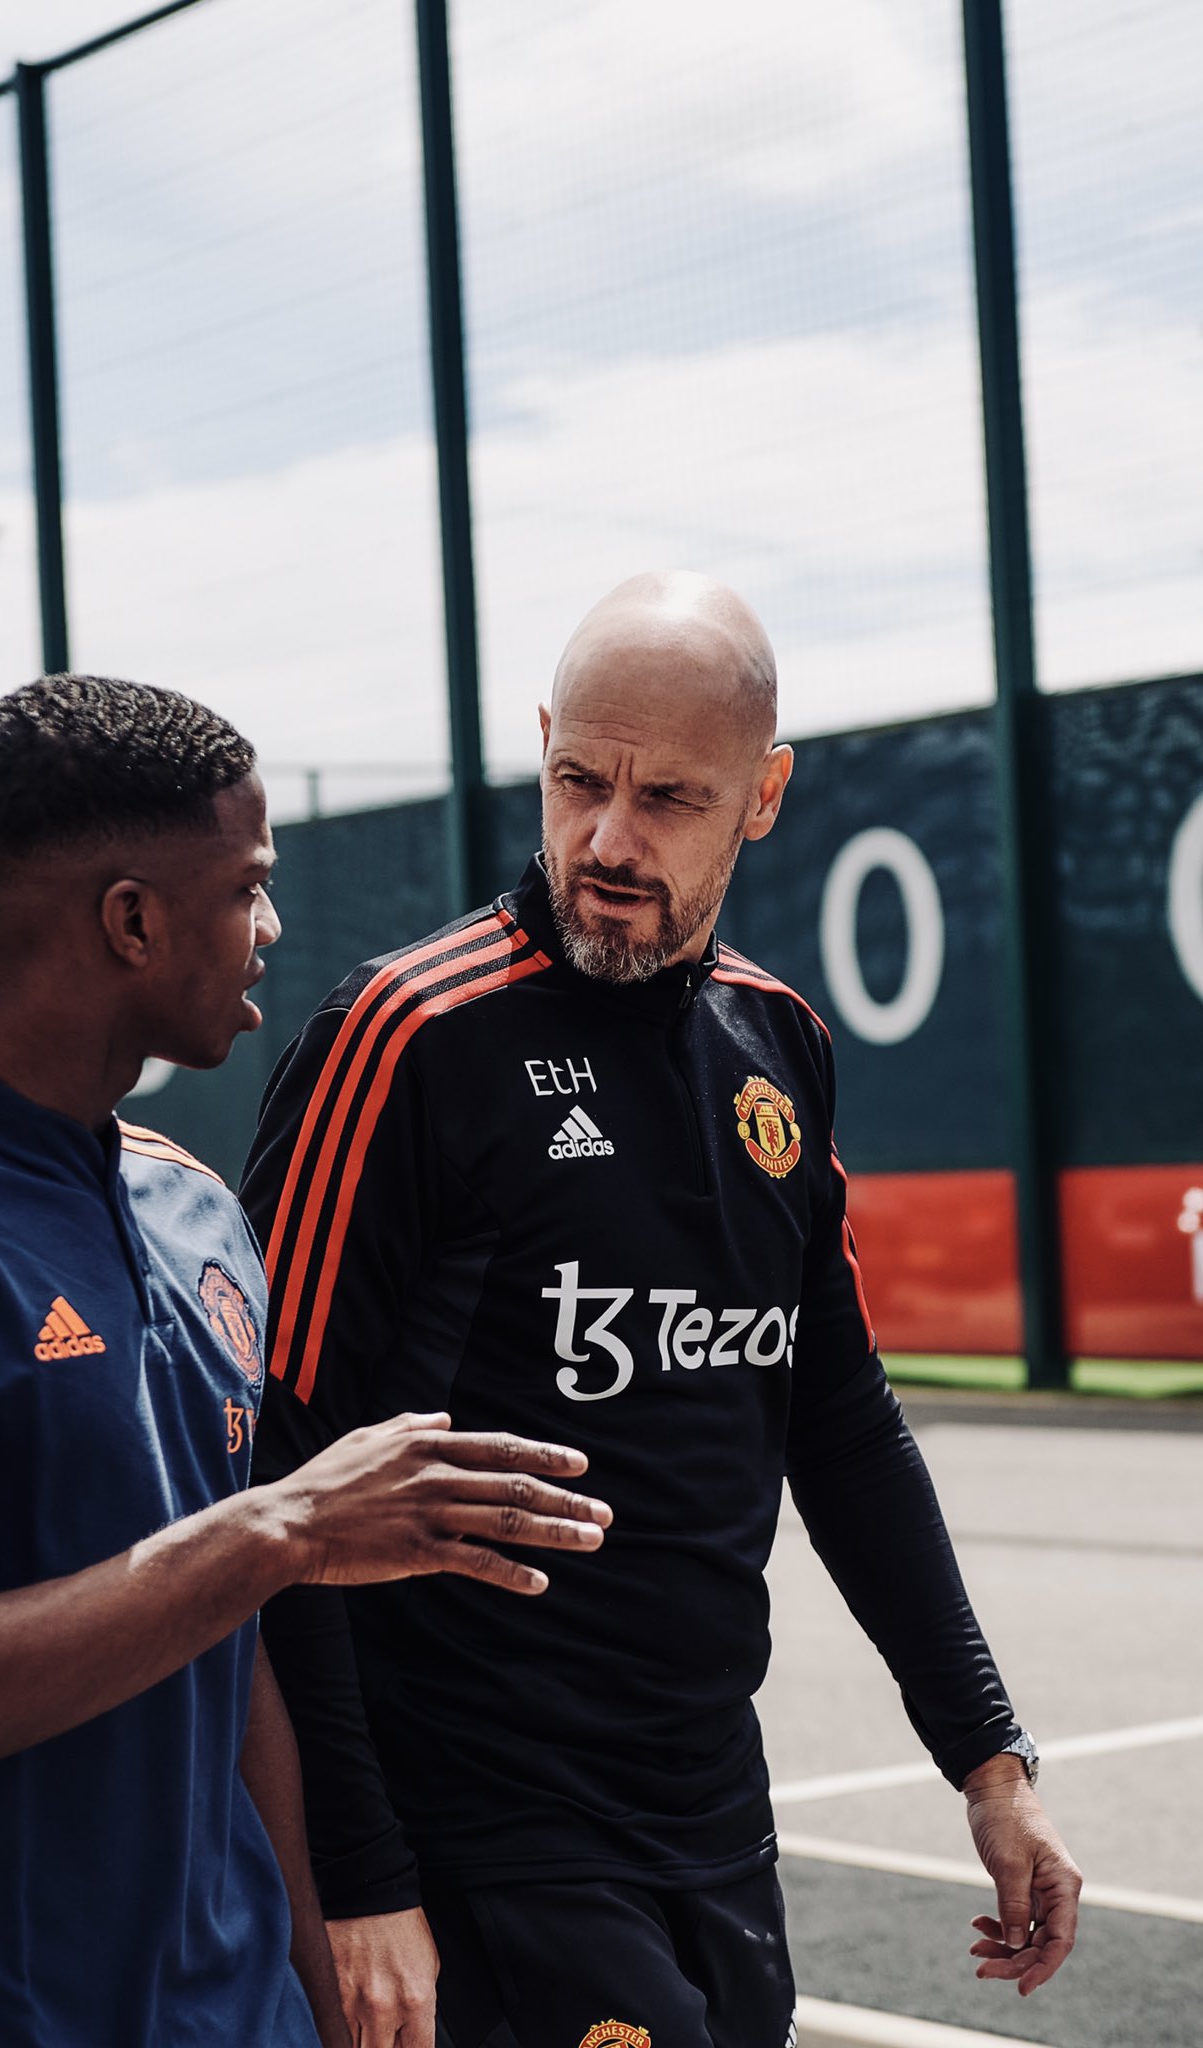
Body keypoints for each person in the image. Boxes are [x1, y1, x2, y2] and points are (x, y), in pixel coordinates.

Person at [0, 675, 613, 2048]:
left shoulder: (193, 1205)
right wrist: (282, 1527)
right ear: (131, 920)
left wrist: (316, 1995)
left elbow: (232, 1660)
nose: (270, 928)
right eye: (247, 886)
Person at [242, 575, 1082, 2048]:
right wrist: (359, 1879)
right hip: (481, 1829)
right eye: (579, 781)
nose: (608, 841)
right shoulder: (406, 1036)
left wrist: (987, 1764)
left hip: (709, 1812)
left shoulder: (778, 1040)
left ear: (762, 796)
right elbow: (273, 1474)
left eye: (669, 798)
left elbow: (837, 1423)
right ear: (543, 746)